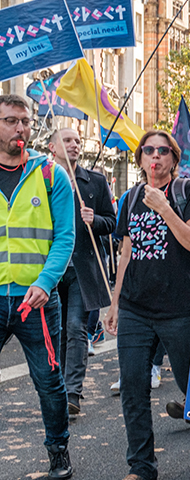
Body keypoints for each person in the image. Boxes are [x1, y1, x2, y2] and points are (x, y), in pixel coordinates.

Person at [103, 130, 190, 480]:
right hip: (136, 307)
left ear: (173, 158)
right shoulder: (131, 197)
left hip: (179, 307)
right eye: (148, 151)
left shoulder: (187, 193)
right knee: (133, 387)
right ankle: (141, 467)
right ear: (140, 159)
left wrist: (165, 208)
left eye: (163, 151)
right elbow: (126, 251)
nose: (155, 157)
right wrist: (116, 302)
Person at [0, 94, 76, 480]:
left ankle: (58, 449)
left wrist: (46, 283)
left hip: (37, 302)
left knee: (48, 380)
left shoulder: (50, 175)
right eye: (11, 121)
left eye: (25, 122)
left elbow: (65, 237)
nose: (20, 129)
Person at [48, 128, 115, 417]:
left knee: (75, 326)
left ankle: (71, 392)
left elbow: (113, 222)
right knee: (55, 331)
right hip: (50, 268)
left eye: (77, 140)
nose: (75, 144)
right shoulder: (40, 180)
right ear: (52, 147)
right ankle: (57, 388)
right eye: (67, 140)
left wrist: (95, 219)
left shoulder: (96, 181)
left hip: (81, 267)